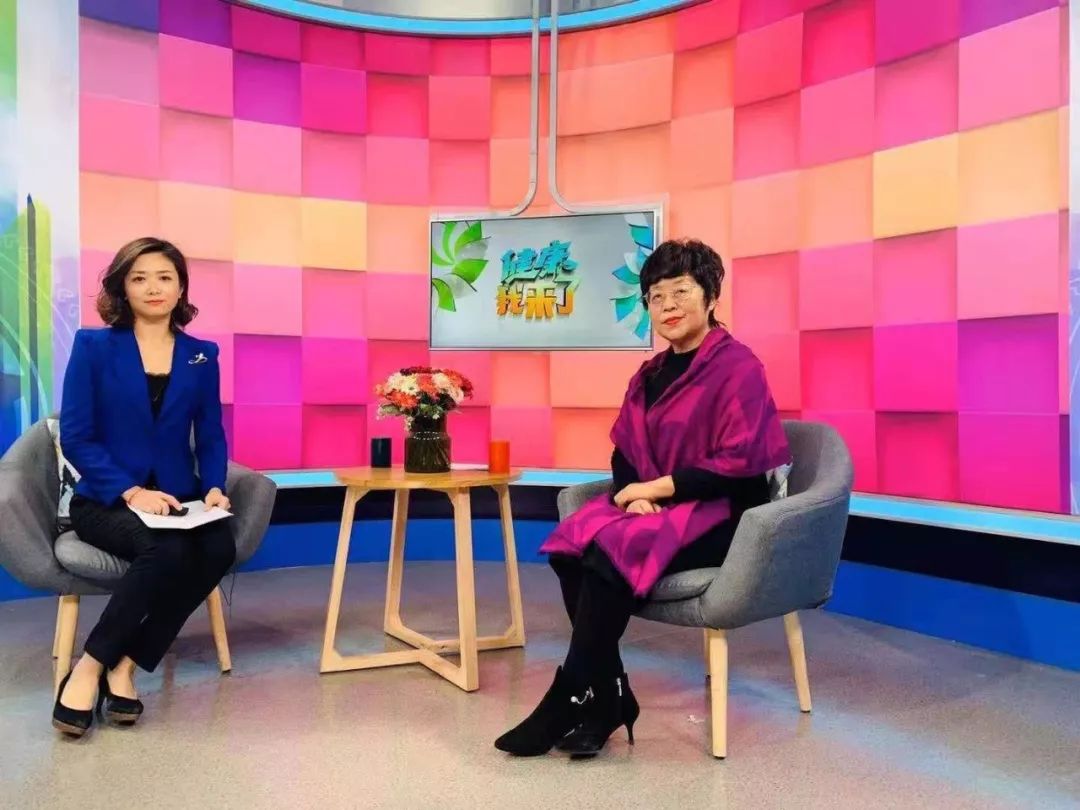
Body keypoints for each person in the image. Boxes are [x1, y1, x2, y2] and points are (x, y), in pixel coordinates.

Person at [494, 238, 791, 758]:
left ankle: (570, 696)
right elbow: (625, 451)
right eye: (656, 297)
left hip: (724, 514)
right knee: (571, 544)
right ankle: (608, 696)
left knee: (612, 552)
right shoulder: (649, 374)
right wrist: (633, 499)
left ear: (711, 297)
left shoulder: (739, 367)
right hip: (657, 508)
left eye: (681, 292)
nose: (668, 306)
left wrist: (655, 489)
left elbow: (741, 460)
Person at [52, 237, 234, 737]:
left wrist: (214, 487)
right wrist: (132, 492)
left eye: (164, 277)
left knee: (219, 547)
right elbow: (77, 436)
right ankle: (89, 666)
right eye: (139, 278)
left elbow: (210, 433)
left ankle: (127, 663)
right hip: (107, 498)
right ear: (123, 288)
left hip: (179, 497)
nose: (153, 287)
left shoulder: (202, 355)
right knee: (166, 550)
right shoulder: (93, 347)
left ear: (180, 288)